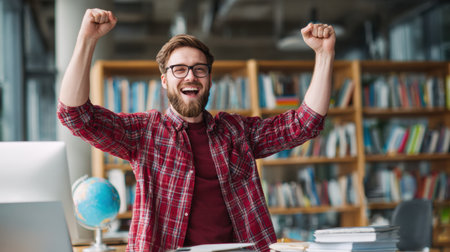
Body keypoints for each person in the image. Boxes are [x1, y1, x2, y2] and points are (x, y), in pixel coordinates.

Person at [57, 8, 335, 252]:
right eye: (179, 69)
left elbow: (304, 124)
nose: (190, 75)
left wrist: (324, 55)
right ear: (165, 81)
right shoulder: (143, 133)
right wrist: (87, 39)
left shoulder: (236, 131)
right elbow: (75, 116)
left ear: (209, 79)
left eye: (199, 69)